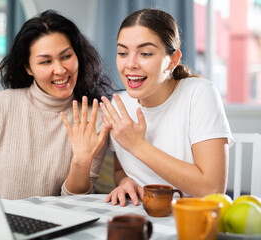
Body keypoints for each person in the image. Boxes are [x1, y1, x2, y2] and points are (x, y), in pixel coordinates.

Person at [100, 8, 233, 206]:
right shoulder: (119, 104)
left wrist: (138, 145)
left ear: (172, 60)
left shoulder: (199, 93)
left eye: (145, 53)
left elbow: (212, 189)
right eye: (122, 52)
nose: (130, 64)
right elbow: (121, 171)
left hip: (189, 218)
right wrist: (126, 181)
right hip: (141, 213)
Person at [0, 9, 113, 200]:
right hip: (0, 220)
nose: (60, 70)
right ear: (28, 68)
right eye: (46, 61)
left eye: (66, 57)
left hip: (60, 222)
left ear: (78, 56)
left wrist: (81, 162)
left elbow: (75, 201)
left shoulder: (94, 118)